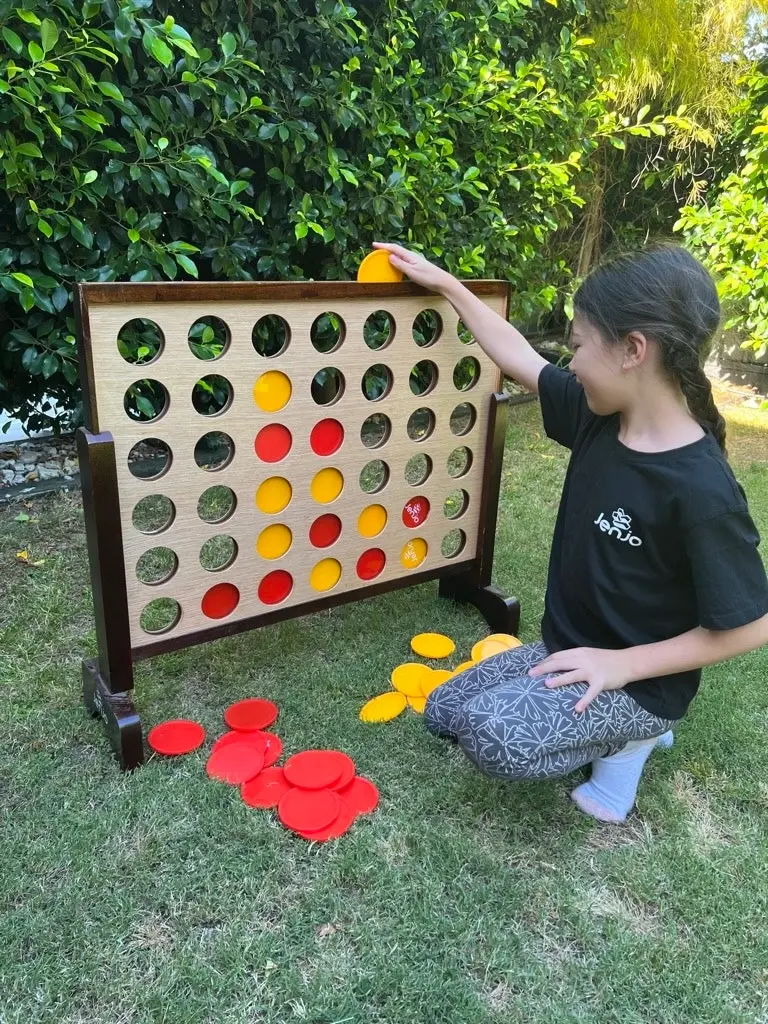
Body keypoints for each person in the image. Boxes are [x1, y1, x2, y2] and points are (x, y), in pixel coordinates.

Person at [373, 241, 768, 823]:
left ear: (634, 350)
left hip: (637, 683)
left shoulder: (701, 488)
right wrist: (447, 284)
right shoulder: (599, 415)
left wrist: (621, 667)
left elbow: (751, 626)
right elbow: (515, 356)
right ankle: (619, 725)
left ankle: (633, 741)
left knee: (490, 739)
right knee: (444, 713)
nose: (570, 362)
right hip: (569, 653)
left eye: (578, 345)